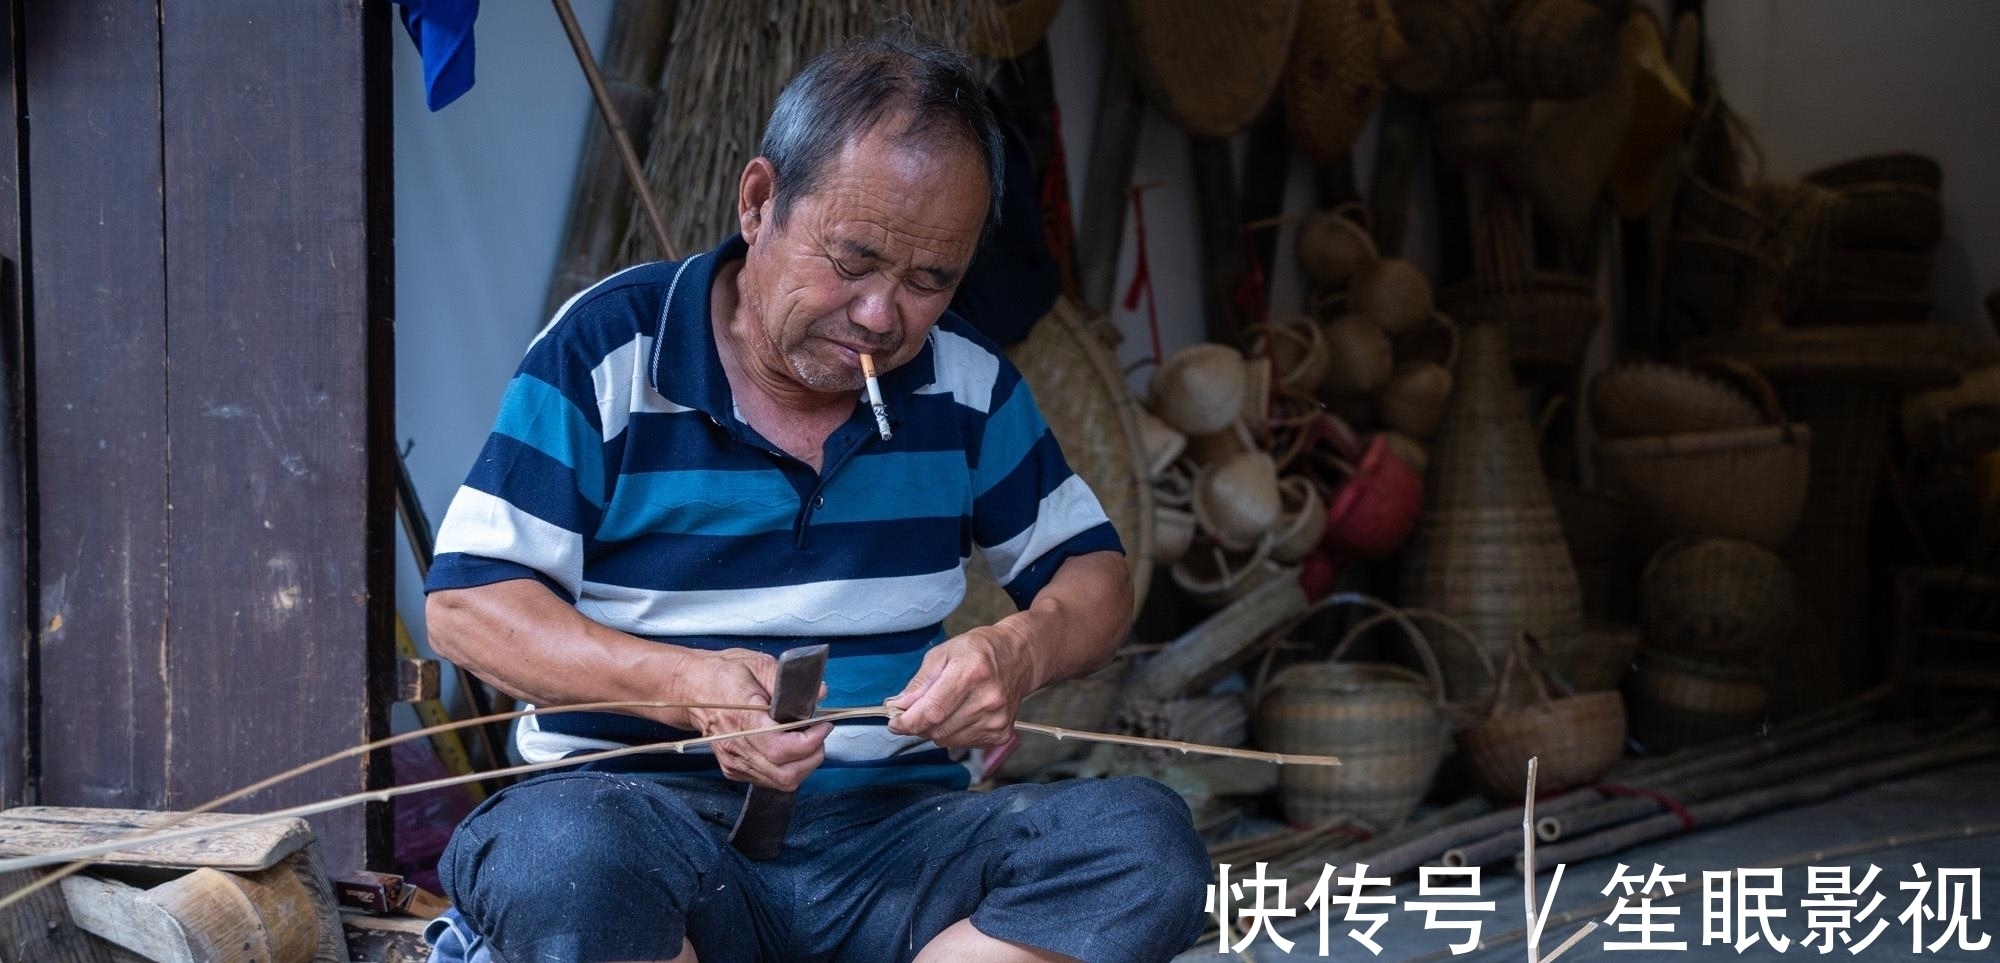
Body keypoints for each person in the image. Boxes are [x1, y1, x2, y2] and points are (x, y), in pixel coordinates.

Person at [420, 35, 1210, 963]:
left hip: (894, 845)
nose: (883, 314)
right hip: (647, 828)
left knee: (1142, 845)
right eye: (854, 259)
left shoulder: (964, 384)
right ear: (760, 203)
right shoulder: (611, 351)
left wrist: (1019, 650)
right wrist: (686, 688)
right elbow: (470, 609)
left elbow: (1095, 575)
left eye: (930, 279)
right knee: (562, 859)